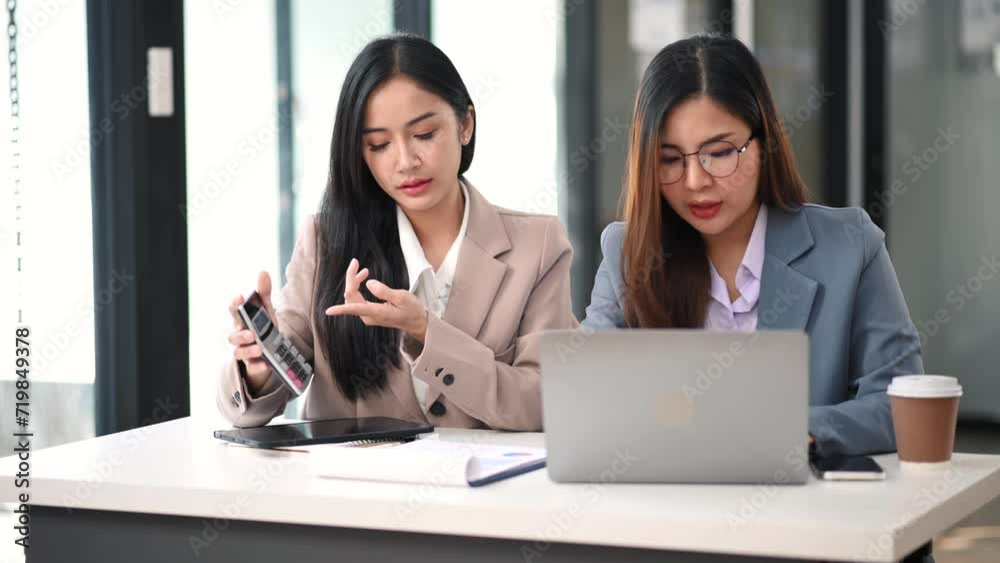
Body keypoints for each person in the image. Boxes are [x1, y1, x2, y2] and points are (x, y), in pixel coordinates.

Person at [581, 35, 924, 459]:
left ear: (765, 144)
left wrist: (794, 429)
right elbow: (585, 398)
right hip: (668, 508)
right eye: (670, 159)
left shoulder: (850, 247)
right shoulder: (626, 253)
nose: (695, 181)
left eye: (719, 152)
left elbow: (901, 405)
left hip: (805, 511)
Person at [218, 34, 575, 431]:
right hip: (353, 491)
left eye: (424, 135)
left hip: (485, 490)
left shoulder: (538, 247)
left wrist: (426, 331)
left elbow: (546, 404)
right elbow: (258, 404)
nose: (405, 161)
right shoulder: (326, 242)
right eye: (379, 144)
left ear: (465, 124)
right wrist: (256, 366)